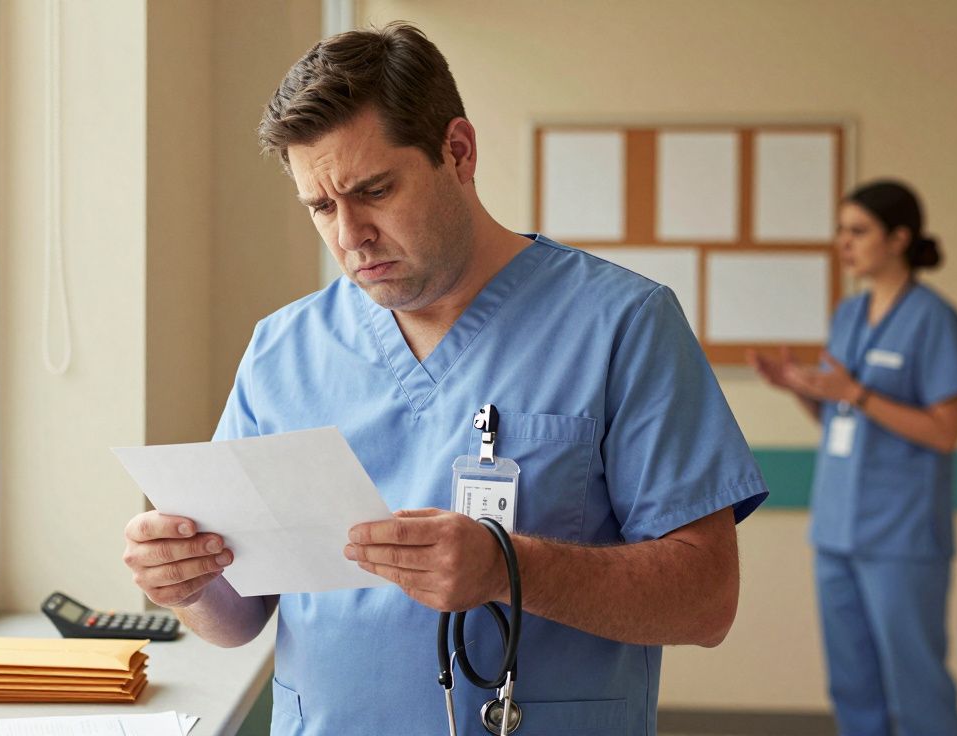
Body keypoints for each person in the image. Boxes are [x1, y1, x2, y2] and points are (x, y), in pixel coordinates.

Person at [124, 23, 767, 735]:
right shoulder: (283, 350)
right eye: (321, 207)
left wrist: (508, 569)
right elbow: (237, 618)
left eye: (374, 190)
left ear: (458, 152)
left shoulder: (623, 325)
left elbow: (707, 601)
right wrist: (184, 583)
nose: (350, 235)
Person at [749, 180, 957, 736]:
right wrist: (799, 388)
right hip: (837, 528)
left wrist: (857, 394)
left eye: (858, 231)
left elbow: (945, 432)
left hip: (900, 534)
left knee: (915, 683)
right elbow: (840, 418)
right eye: (841, 230)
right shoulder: (849, 314)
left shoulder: (935, 321)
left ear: (899, 238)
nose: (843, 243)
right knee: (851, 683)